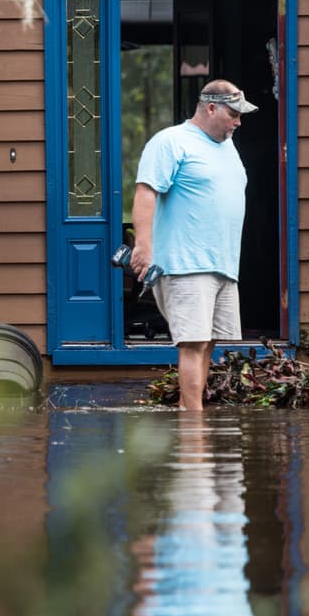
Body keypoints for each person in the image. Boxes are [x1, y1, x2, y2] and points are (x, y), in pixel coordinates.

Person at [129, 80, 258, 412]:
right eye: (234, 113)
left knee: (209, 343)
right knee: (193, 342)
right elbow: (146, 192)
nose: (238, 122)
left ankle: (193, 412)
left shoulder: (227, 146)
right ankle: (193, 423)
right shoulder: (171, 142)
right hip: (186, 264)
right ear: (211, 107)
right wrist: (142, 246)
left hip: (223, 264)